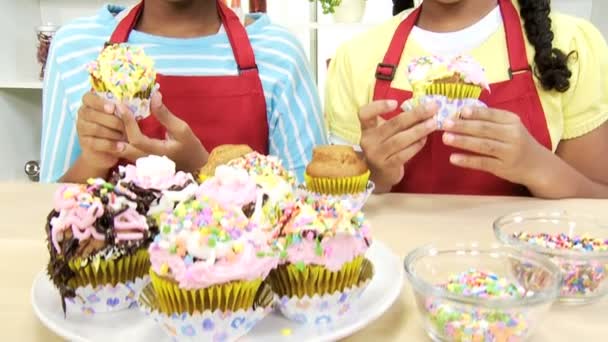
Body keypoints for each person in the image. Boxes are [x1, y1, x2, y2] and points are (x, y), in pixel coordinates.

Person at [325, 0, 608, 198]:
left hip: (528, 274)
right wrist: (375, 175)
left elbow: (598, 200)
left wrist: (536, 166)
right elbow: (331, 214)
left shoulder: (570, 45)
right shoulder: (355, 58)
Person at [40, 0, 327, 184]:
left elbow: (314, 213)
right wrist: (93, 160)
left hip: (234, 277)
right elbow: (47, 213)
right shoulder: (75, 47)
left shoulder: (279, 54)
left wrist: (204, 171)